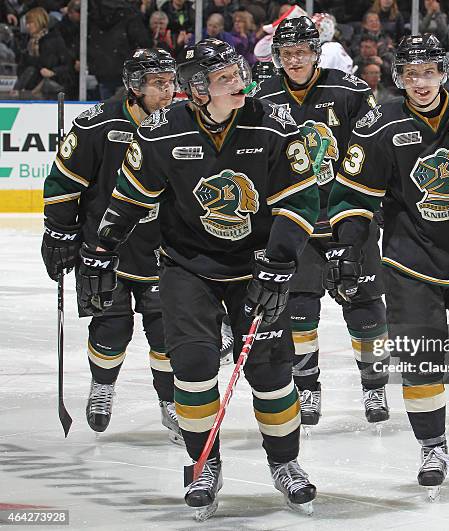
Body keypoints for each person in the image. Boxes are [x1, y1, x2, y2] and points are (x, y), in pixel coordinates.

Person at [77, 39, 319, 518]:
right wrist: (102, 249)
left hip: (256, 267)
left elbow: (301, 200)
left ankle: (286, 464)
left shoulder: (273, 123)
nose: (241, 84)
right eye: (226, 78)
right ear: (197, 89)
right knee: (191, 369)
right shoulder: (163, 129)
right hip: (189, 268)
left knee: (271, 374)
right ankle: (202, 463)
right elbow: (130, 195)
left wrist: (279, 262)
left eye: (240, 73)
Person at [326, 34, 449, 498]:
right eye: (410, 73)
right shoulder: (380, 122)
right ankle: (432, 447)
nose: (420, 81)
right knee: (420, 358)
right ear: (398, 77)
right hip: (408, 261)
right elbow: (354, 193)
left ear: (443, 71)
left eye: (428, 70)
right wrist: (348, 247)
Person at [41, 49, 183, 443]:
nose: (168, 91)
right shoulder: (97, 124)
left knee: (167, 332)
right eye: (158, 84)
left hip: (162, 249)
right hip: (105, 249)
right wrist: (58, 231)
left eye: (171, 82)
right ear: (134, 87)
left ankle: (170, 402)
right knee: (112, 327)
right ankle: (103, 384)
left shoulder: (182, 124)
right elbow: (63, 182)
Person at [256, 16, 390, 428]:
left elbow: (373, 149)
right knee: (298, 308)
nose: (293, 60)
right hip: (295, 222)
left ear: (317, 52)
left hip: (347, 218)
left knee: (364, 306)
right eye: (286, 53)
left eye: (301, 52)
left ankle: (374, 383)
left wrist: (372, 209)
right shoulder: (262, 95)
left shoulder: (348, 91)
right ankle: (307, 387)